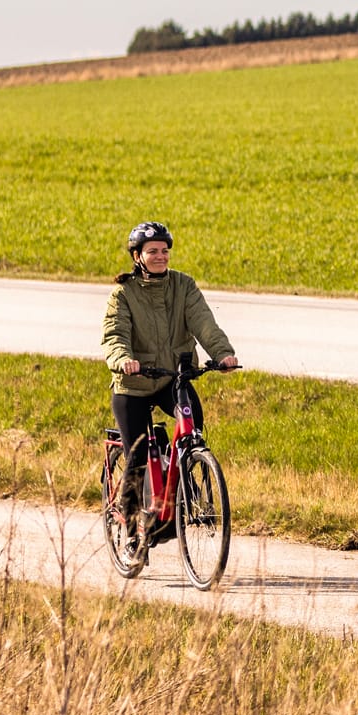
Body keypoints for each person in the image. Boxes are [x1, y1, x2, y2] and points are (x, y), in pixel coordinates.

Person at [101, 221, 240, 529]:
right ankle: (130, 523)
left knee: (193, 430)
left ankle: (180, 486)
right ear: (137, 256)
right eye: (153, 251)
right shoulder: (122, 294)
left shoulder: (183, 285)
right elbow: (115, 334)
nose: (161, 256)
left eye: (165, 251)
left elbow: (204, 322)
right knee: (135, 458)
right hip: (133, 386)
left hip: (172, 379)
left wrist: (222, 354)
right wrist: (123, 359)